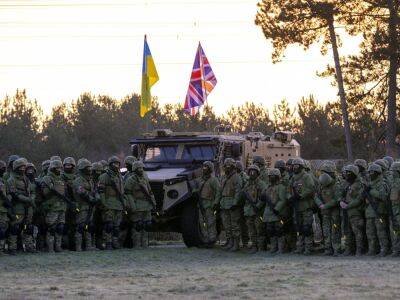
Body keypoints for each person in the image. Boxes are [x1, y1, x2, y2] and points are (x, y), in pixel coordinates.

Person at [124, 161, 155, 248]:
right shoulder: (131, 180)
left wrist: (153, 202)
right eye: (139, 168)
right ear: (135, 169)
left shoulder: (145, 179)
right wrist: (132, 205)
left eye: (142, 168)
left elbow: (149, 191)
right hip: (137, 204)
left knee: (146, 225)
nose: (141, 170)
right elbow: (127, 193)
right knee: (137, 226)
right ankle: (136, 245)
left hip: (146, 204)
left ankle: (145, 244)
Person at [98, 156, 125, 250]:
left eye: (118, 163)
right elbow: (101, 192)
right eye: (114, 163)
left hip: (119, 204)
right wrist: (104, 203)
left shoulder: (120, 176)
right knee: (108, 225)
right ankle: (108, 243)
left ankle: (115, 242)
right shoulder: (104, 176)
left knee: (117, 226)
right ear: (110, 165)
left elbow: (122, 191)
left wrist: (124, 203)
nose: (116, 165)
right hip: (109, 203)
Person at [289, 158, 316, 255]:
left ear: (301, 167)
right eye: (293, 166)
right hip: (296, 207)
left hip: (306, 206)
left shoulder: (306, 176)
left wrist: (301, 195)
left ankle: (308, 248)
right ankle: (300, 247)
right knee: (299, 228)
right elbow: (289, 189)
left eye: (297, 166)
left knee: (307, 228)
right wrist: (290, 197)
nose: (295, 168)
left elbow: (311, 189)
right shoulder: (292, 178)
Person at [41, 159, 68, 252]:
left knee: (60, 227)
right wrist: (53, 190)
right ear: (52, 168)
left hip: (62, 206)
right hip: (52, 206)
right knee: (52, 228)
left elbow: (64, 191)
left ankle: (58, 246)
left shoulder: (61, 178)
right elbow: (45, 193)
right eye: (57, 168)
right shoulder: (47, 178)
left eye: (60, 168)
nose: (59, 169)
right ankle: (50, 247)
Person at [72, 159, 98, 251]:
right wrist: (90, 198)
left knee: (89, 226)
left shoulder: (90, 180)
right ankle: (78, 247)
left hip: (90, 207)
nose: (90, 169)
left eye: (90, 167)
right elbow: (80, 191)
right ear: (82, 169)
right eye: (88, 168)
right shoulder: (78, 180)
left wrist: (96, 197)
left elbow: (94, 190)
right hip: (81, 206)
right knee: (80, 226)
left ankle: (88, 246)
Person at [364, 163, 390, 256]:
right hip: (369, 212)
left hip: (379, 211)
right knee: (370, 233)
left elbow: (383, 196)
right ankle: (372, 250)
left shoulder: (382, 183)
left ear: (377, 173)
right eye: (369, 172)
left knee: (381, 232)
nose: (369, 174)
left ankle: (384, 249)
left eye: (371, 172)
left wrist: (370, 191)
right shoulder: (369, 184)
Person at [217, 158, 243, 252]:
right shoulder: (223, 177)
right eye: (225, 166)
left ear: (232, 167)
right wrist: (218, 202)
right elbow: (220, 191)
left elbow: (238, 191)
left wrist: (235, 203)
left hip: (232, 204)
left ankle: (236, 244)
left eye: (228, 166)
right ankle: (230, 242)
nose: (226, 168)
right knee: (226, 225)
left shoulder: (236, 177)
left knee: (234, 225)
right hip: (224, 203)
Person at [263, 168, 290, 254]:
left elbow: (282, 200)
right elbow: (263, 197)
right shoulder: (268, 187)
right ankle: (273, 247)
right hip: (268, 212)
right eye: (270, 176)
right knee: (270, 231)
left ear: (278, 177)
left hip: (277, 213)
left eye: (273, 176)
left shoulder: (281, 187)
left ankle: (280, 248)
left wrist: (277, 209)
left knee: (279, 230)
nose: (271, 178)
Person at [241, 164, 267, 253]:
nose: (252, 174)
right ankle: (254, 245)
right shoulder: (247, 184)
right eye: (250, 172)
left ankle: (261, 246)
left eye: (254, 172)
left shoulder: (261, 184)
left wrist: (258, 206)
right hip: (249, 210)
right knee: (251, 229)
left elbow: (263, 197)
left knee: (259, 229)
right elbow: (243, 194)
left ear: (257, 173)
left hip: (258, 211)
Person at [194, 161, 220, 247]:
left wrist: (216, 203)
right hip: (201, 204)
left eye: (206, 167)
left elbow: (218, 192)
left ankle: (212, 240)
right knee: (202, 223)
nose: (204, 169)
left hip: (210, 204)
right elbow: (196, 190)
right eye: (203, 167)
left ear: (210, 169)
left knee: (210, 223)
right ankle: (205, 240)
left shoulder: (214, 180)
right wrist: (195, 192)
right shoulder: (200, 180)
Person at [316, 172, 341, 256]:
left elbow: (337, 199)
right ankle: (328, 249)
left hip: (334, 212)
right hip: (325, 213)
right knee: (326, 231)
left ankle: (336, 249)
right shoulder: (321, 186)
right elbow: (316, 197)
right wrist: (320, 204)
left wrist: (325, 206)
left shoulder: (336, 186)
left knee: (335, 231)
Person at [389, 162, 400, 256]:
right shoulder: (393, 182)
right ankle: (396, 250)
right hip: (394, 210)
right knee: (395, 231)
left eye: (393, 171)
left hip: (397, 210)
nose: (392, 173)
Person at [0, 160, 10, 254]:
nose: (3, 170)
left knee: (3, 230)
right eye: (2, 168)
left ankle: (1, 249)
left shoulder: (3, 180)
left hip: (3, 209)